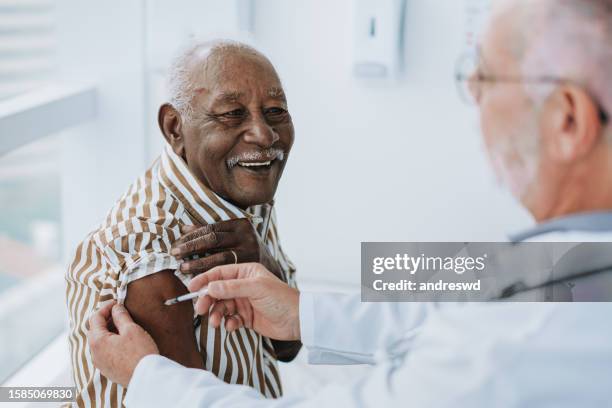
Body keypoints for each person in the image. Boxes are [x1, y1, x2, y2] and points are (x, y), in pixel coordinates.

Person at [88, 0, 612, 406]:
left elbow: (485, 311)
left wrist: (146, 378)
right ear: (174, 128)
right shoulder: (571, 262)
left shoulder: (510, 343)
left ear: (567, 119)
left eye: (484, 78)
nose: (473, 97)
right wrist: (301, 311)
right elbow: (475, 284)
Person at [65, 40, 300, 407]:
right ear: (175, 127)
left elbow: (289, 345)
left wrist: (267, 267)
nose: (264, 134)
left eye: (275, 111)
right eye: (232, 113)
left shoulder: (242, 193)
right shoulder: (151, 246)